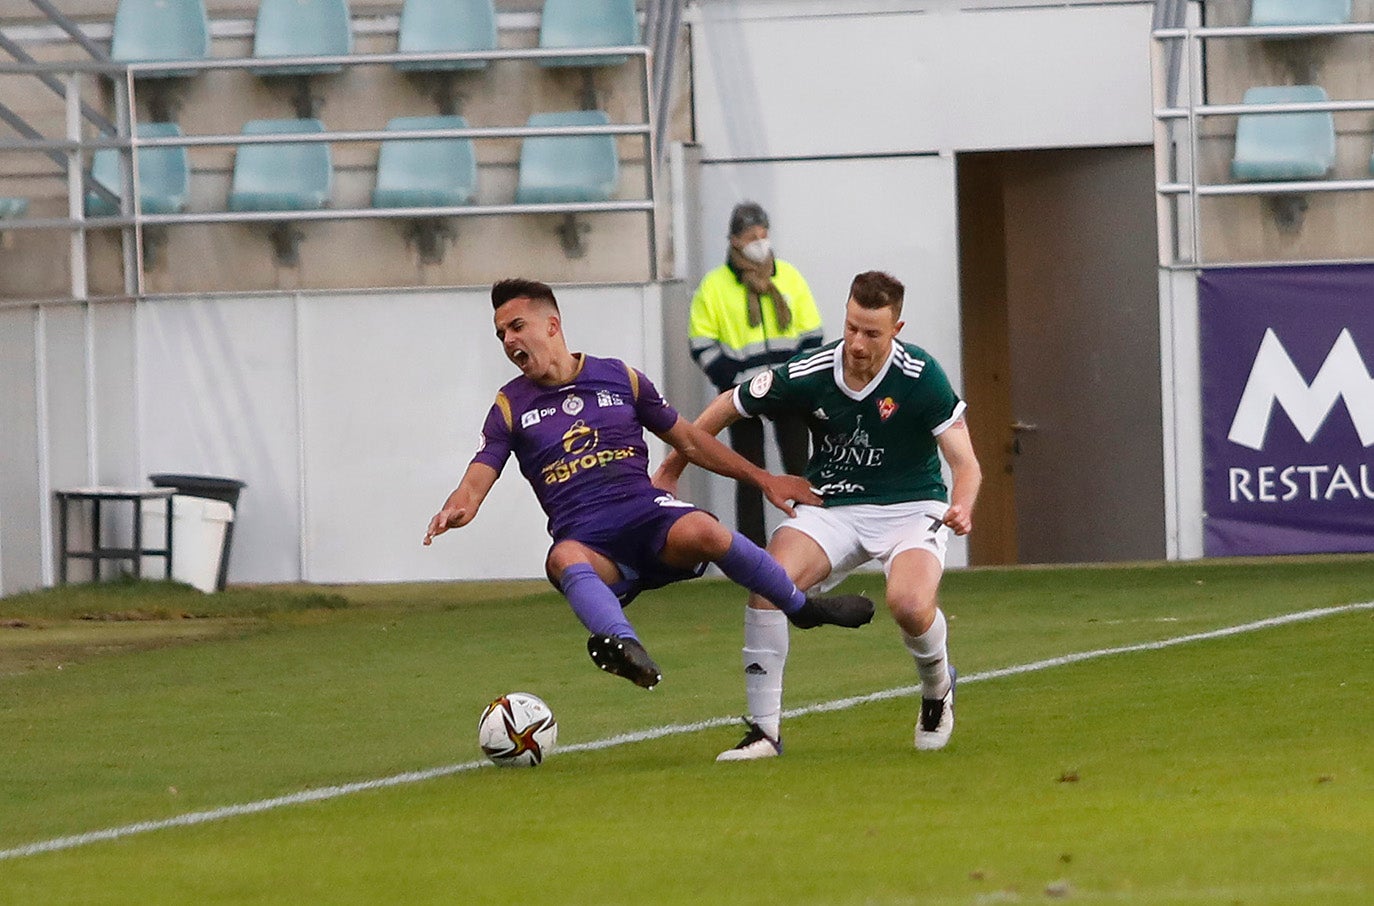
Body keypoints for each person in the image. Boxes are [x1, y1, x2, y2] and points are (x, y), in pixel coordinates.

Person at [424, 278, 875, 690]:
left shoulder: (620, 377)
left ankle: (803, 609)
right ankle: (625, 647)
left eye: (517, 326)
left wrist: (764, 479)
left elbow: (691, 442)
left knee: (707, 531)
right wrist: (457, 507)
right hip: (590, 541)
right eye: (501, 333)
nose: (509, 340)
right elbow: (479, 474)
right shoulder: (511, 405)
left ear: (552, 325)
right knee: (562, 558)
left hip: (648, 517)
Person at [655, 271, 981, 754]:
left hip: (912, 508)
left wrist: (963, 505)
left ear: (896, 330)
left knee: (909, 605)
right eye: (851, 327)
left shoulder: (920, 376)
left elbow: (965, 462)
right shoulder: (813, 370)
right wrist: (670, 470)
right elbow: (728, 404)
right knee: (767, 582)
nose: (856, 343)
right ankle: (764, 733)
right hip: (833, 505)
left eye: (871, 333)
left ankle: (937, 689)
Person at [688, 201, 825, 547]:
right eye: (752, 235)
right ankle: (753, 552)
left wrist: (798, 375)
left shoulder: (789, 277)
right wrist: (730, 380)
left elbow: (812, 333)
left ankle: (809, 541)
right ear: (734, 240)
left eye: (764, 234)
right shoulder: (714, 286)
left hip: (789, 390)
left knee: (800, 469)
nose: (760, 241)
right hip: (741, 393)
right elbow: (701, 341)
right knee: (748, 473)